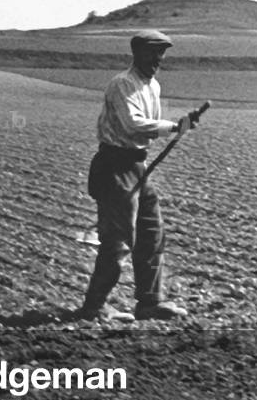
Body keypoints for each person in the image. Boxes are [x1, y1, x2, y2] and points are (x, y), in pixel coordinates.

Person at [77, 29, 198, 322]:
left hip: (138, 166)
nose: (158, 58)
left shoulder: (152, 86)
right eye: (153, 52)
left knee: (151, 233)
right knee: (117, 241)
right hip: (115, 167)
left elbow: (150, 129)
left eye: (162, 53)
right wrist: (173, 126)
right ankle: (94, 307)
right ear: (137, 53)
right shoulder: (122, 84)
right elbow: (134, 124)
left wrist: (178, 126)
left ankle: (149, 302)